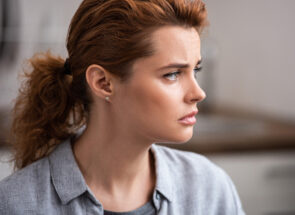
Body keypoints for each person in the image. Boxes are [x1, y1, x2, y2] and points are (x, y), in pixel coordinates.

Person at [0, 0, 245, 214]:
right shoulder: (15, 205)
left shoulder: (210, 190)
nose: (198, 93)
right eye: (172, 74)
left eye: (196, 70)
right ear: (103, 83)